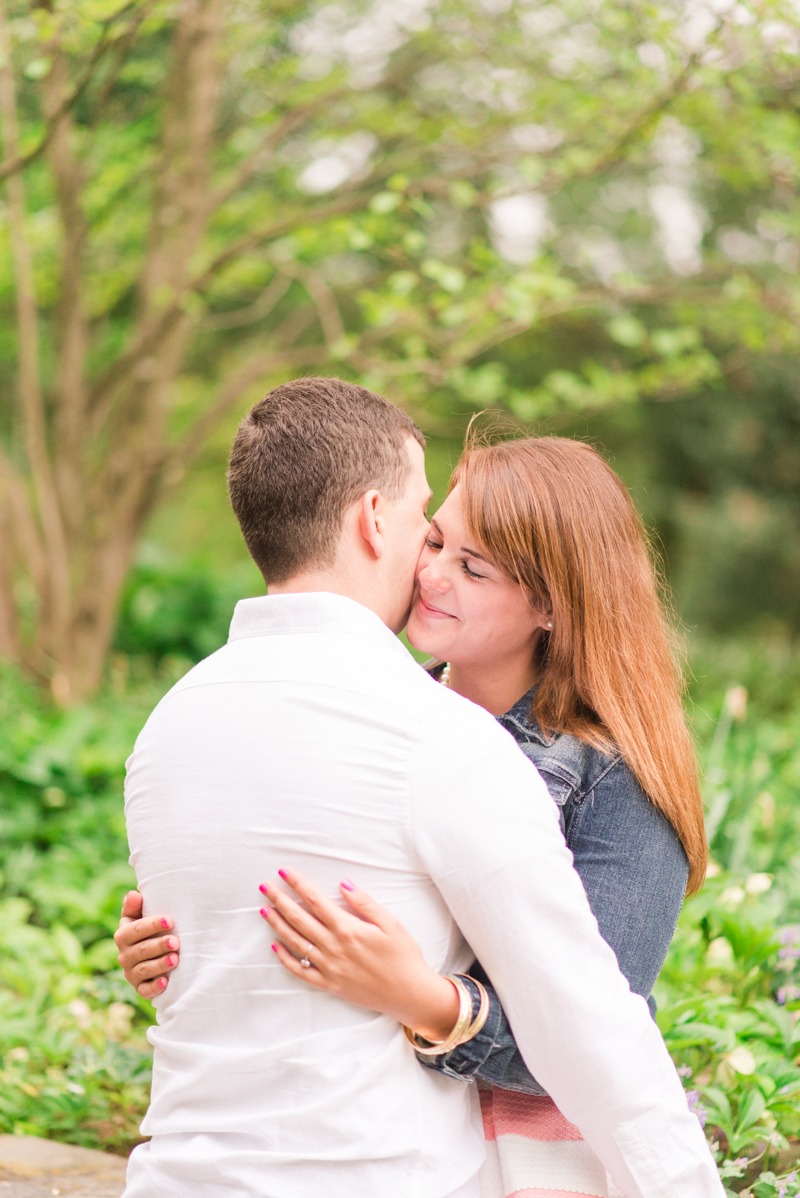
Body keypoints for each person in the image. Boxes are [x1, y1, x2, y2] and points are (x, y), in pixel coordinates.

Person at [118, 377, 721, 1198]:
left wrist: (429, 1001)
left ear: (552, 604)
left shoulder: (601, 770)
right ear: (379, 522)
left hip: (529, 1160)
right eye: (433, 540)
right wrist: (185, 938)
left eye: (472, 566)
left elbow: (591, 1021)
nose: (433, 574)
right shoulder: (407, 722)